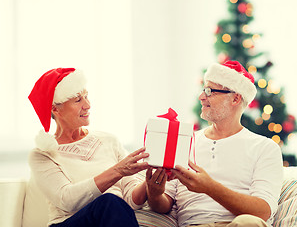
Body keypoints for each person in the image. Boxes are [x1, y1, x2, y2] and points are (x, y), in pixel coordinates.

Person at [145, 60, 283, 227]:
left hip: (239, 225)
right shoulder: (186, 141)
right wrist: (155, 195)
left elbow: (262, 212)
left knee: (248, 223)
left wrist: (210, 188)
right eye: (203, 90)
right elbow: (164, 204)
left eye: (210, 91)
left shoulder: (265, 148)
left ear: (235, 98)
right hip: (193, 225)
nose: (201, 97)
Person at [28, 68, 149, 227]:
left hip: (111, 219)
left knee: (112, 204)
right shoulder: (42, 155)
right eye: (78, 100)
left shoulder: (108, 140)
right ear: (56, 109)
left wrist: (149, 183)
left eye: (86, 96)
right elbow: (67, 200)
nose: (88, 105)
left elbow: (132, 200)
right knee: (109, 202)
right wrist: (118, 171)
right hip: (68, 223)